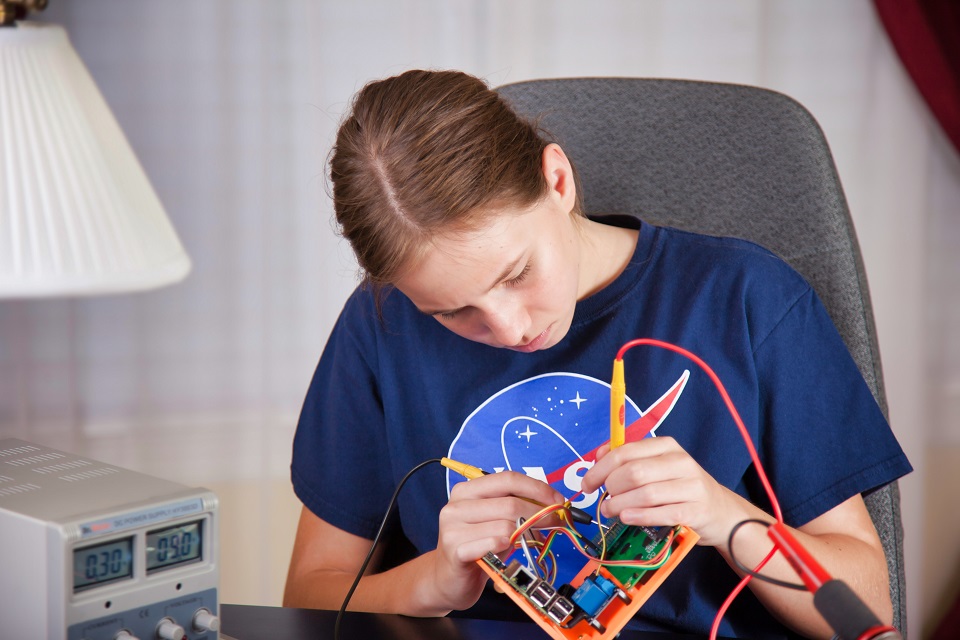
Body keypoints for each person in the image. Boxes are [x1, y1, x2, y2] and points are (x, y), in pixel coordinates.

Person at [283, 69, 911, 639]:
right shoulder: (379, 325)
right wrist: (432, 583)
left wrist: (722, 515)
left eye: (517, 273)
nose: (508, 328)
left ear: (557, 180)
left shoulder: (744, 300)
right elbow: (307, 600)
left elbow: (865, 612)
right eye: (450, 312)